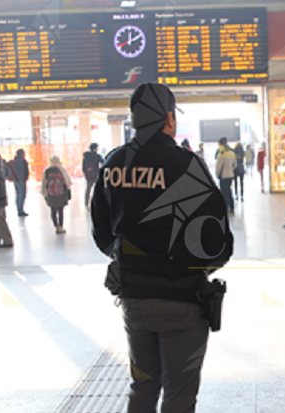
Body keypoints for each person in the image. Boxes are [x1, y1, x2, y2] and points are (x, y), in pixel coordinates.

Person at [90, 82, 234, 413]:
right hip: (181, 300)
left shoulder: (114, 163)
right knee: (179, 393)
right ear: (169, 118)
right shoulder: (185, 164)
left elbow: (101, 229)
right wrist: (199, 265)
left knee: (143, 385)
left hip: (134, 300)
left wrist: (128, 257)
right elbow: (215, 239)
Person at [42, 155, 72, 234]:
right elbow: (66, 181)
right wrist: (68, 190)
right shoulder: (61, 169)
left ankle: (56, 226)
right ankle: (61, 226)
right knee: (61, 210)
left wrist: (44, 193)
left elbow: (44, 183)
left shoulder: (47, 170)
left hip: (51, 194)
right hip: (61, 193)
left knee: (53, 210)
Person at [215, 137, 237, 215]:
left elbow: (219, 166)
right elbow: (235, 165)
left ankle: (226, 208)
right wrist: (230, 170)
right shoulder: (231, 152)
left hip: (223, 176)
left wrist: (217, 174)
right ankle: (232, 207)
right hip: (230, 175)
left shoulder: (221, 153)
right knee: (229, 191)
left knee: (224, 192)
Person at [8, 149, 30, 217]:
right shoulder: (23, 161)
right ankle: (20, 211)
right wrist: (26, 177)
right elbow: (25, 171)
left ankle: (19, 209)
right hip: (21, 180)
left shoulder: (14, 161)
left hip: (15, 180)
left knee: (18, 195)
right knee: (22, 195)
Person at [83, 143, 104, 208]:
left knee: (88, 190)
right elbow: (104, 162)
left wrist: (86, 174)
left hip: (89, 175)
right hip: (96, 174)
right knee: (98, 189)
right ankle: (98, 204)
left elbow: (83, 167)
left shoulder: (86, 156)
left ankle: (86, 204)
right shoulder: (97, 156)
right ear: (95, 148)